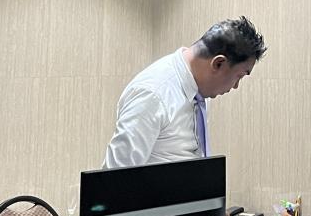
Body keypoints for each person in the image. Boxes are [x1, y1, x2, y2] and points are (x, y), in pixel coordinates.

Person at [102, 16, 266, 169]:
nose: (236, 86)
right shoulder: (153, 94)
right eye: (239, 76)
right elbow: (114, 177)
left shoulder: (198, 90)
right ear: (218, 63)